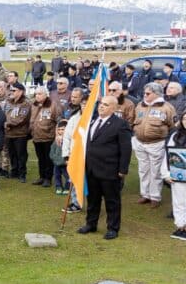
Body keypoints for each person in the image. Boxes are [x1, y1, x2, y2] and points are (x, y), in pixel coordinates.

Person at [78, 96, 132, 240]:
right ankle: (91, 223)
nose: (101, 107)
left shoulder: (120, 124)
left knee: (112, 201)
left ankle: (113, 228)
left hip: (110, 169)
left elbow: (126, 149)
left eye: (106, 105)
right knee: (93, 199)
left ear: (113, 108)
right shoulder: (93, 120)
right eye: (101, 104)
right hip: (91, 168)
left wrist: (123, 170)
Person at [131, 83, 176, 209]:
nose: (145, 95)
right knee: (143, 170)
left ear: (157, 94)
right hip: (140, 143)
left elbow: (172, 126)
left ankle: (155, 196)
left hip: (157, 143)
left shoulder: (167, 107)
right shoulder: (140, 105)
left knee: (155, 171)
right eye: (144, 93)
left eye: (148, 93)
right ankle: (145, 194)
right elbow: (135, 120)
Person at [30, 86, 62, 188]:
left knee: (48, 159)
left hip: (48, 137)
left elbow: (59, 121)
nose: (37, 96)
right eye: (36, 94)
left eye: (40, 94)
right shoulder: (34, 105)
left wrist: (58, 134)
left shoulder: (53, 106)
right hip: (36, 137)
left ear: (45, 94)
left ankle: (48, 178)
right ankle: (41, 177)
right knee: (40, 159)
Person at [162, 112, 186, 240]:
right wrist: (166, 174)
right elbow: (168, 156)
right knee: (179, 202)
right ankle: (181, 226)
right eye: (184, 119)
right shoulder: (175, 136)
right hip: (179, 176)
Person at [4, 82, 31, 183]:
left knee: (21, 154)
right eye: (11, 90)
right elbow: (4, 113)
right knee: (12, 153)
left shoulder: (26, 103)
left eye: (14, 90)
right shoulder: (8, 102)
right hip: (8, 133)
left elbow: (22, 119)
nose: (12, 92)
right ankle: (14, 171)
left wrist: (8, 123)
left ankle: (22, 173)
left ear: (21, 92)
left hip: (20, 133)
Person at [51, 120, 70, 195]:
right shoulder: (56, 140)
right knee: (57, 175)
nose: (60, 131)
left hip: (65, 163)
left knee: (68, 176)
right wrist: (54, 158)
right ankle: (58, 187)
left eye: (62, 129)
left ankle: (67, 187)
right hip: (57, 163)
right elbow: (52, 151)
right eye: (59, 129)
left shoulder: (68, 140)